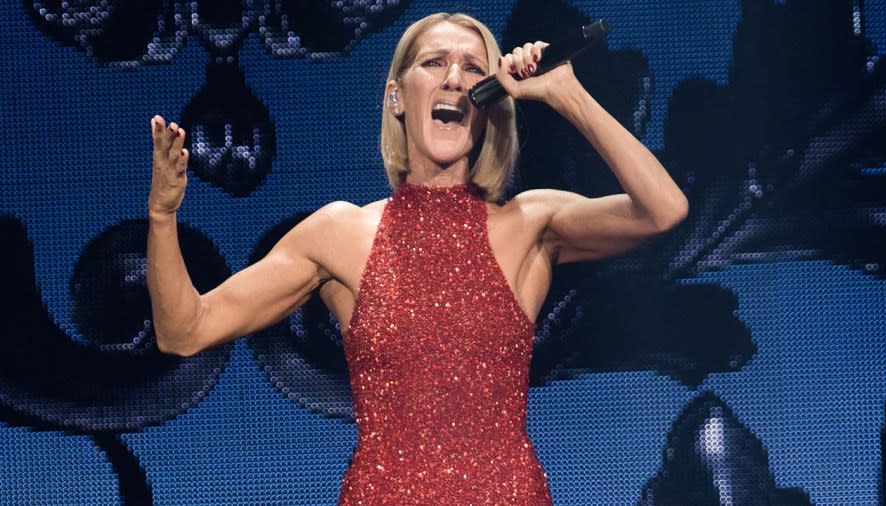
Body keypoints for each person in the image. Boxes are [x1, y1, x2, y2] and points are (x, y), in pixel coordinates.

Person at [147, 12, 688, 505]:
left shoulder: (530, 225)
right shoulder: (340, 234)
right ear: (396, 96)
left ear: (489, 97)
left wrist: (565, 93)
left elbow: (662, 210)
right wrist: (162, 217)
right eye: (434, 63)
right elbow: (184, 331)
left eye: (472, 67)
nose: (454, 77)